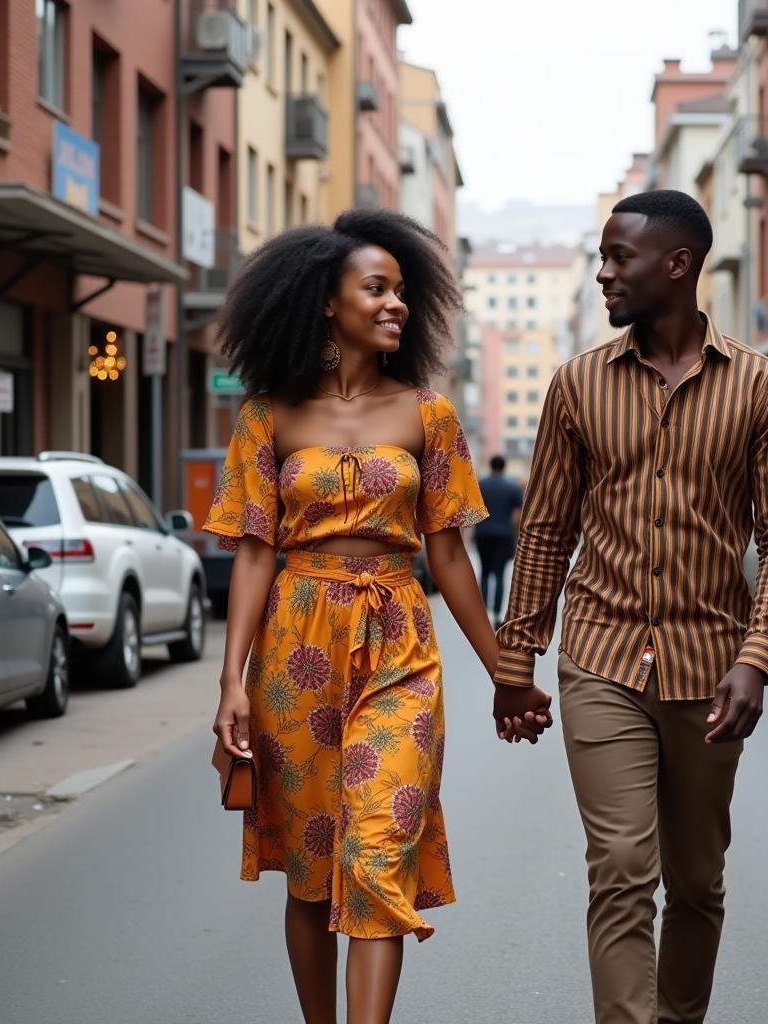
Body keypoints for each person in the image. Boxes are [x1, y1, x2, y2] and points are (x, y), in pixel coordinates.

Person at [204, 210, 551, 1024]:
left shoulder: (427, 415)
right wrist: (231, 684)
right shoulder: (267, 415)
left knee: (376, 852)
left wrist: (507, 669)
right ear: (328, 301)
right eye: (377, 288)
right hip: (296, 646)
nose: (396, 303)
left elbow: (451, 555)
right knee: (310, 863)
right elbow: (255, 552)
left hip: (399, 641)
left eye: (402, 291)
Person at [493, 190, 768, 1024]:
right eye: (600, 257)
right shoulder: (576, 387)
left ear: (678, 264)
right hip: (601, 655)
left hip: (712, 666)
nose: (602, 273)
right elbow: (547, 530)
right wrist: (514, 660)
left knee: (697, 881)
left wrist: (758, 655)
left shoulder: (766, 389)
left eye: (617, 257)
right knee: (622, 868)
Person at [474, 455, 524, 626]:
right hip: (503, 536)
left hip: (483, 533)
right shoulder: (512, 488)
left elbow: (474, 510)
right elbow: (517, 517)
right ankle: (496, 615)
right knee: (500, 574)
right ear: (504, 467)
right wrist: (515, 536)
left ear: (490, 465)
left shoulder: (481, 485)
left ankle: (483, 614)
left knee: (485, 572)